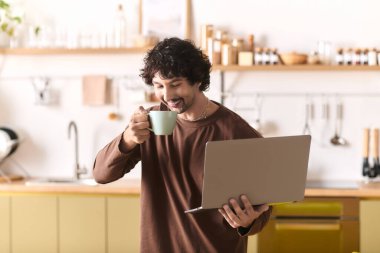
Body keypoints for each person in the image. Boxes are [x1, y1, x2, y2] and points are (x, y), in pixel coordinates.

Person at [93, 37, 272, 253]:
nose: (167, 96)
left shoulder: (236, 131)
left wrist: (248, 222)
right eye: (159, 86)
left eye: (175, 84)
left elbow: (263, 210)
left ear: (197, 80)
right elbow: (101, 174)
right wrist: (128, 138)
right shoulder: (148, 123)